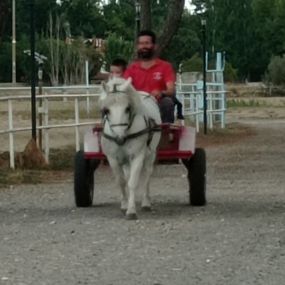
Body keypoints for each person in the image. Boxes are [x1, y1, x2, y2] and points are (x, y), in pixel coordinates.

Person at [124, 30, 181, 123]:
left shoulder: (165, 66)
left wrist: (161, 93)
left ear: (154, 46)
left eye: (147, 43)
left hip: (157, 102)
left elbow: (171, 90)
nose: (143, 46)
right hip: (137, 103)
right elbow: (125, 87)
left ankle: (165, 135)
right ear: (137, 46)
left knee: (167, 103)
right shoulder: (131, 68)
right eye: (141, 43)